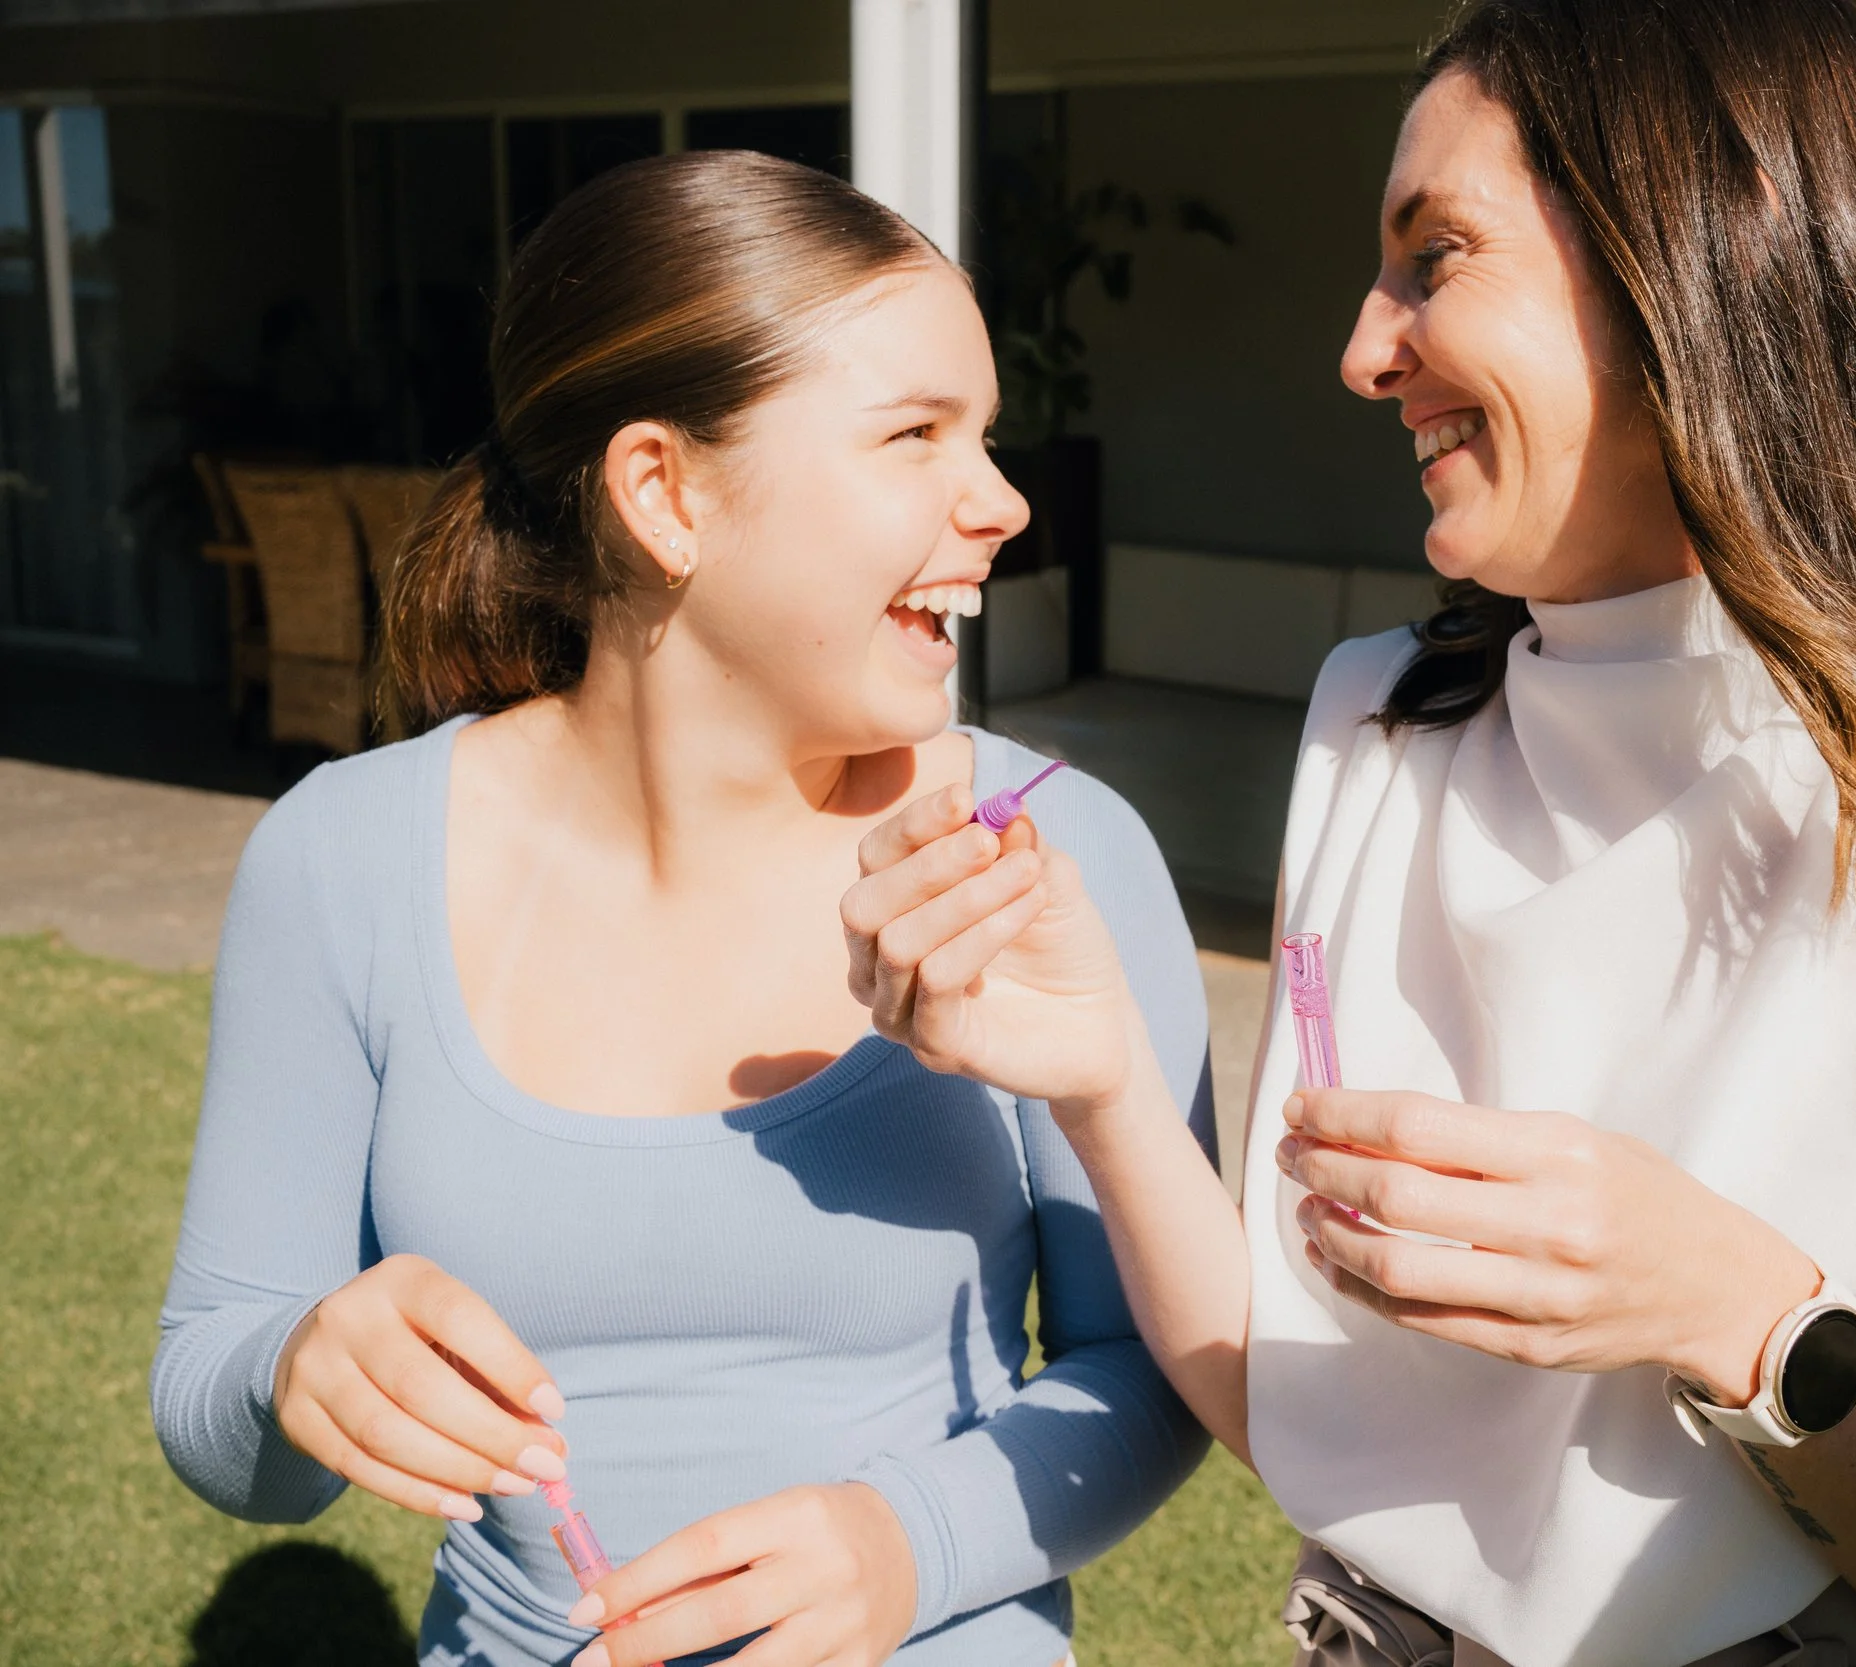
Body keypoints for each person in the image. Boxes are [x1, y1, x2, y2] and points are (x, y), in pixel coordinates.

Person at [834, 3, 1856, 1665]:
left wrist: (1740, 1315)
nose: (1362, 352)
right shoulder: (1381, 723)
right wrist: (1101, 1077)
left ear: (1710, 251)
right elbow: (1323, 1417)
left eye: (1435, 255)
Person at [150, 150, 1214, 1667]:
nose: (1002, 501)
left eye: (984, 434)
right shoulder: (343, 861)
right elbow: (219, 1400)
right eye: (916, 434)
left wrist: (907, 1545)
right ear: (663, 492)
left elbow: (1164, 1365)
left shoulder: (1053, 857)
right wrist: (294, 1365)